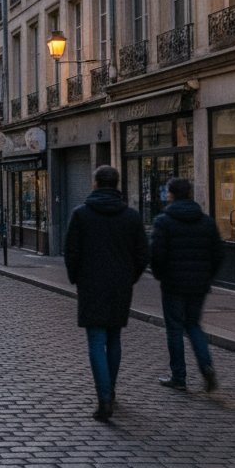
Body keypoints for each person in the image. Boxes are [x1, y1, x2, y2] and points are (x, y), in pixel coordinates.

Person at [64, 165, 149, 422]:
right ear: (118, 184)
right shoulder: (132, 216)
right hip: (120, 286)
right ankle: (110, 390)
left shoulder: (81, 214)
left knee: (95, 341)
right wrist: (129, 278)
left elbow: (72, 253)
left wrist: (77, 278)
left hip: (91, 285)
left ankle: (104, 400)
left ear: (95, 184)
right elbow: (143, 255)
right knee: (114, 339)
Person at [149, 178, 223, 392]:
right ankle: (206, 365)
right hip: (198, 284)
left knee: (174, 329)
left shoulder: (164, 220)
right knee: (193, 324)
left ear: (171, 194)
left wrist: (161, 275)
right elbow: (217, 253)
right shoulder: (206, 221)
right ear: (190, 194)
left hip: (173, 284)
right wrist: (207, 276)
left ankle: (178, 376)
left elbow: (156, 254)